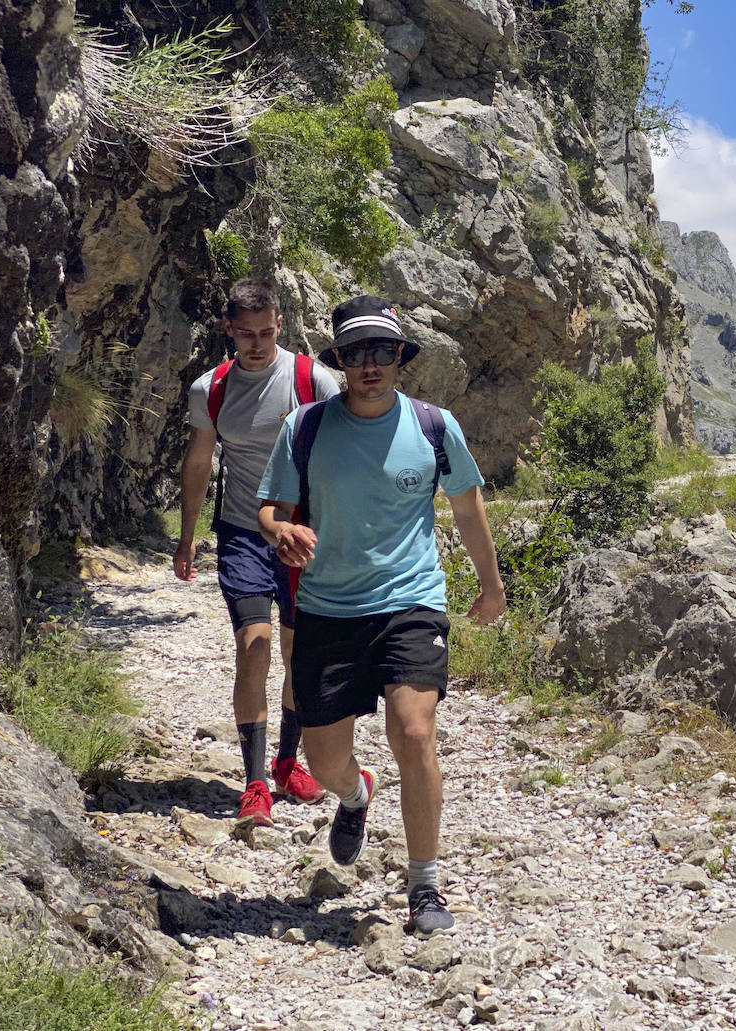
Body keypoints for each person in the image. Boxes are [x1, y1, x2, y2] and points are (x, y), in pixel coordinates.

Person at [257, 295, 506, 938]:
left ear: (400, 357)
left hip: (410, 603)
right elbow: (271, 508)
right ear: (338, 360)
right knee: (324, 758)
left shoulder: (433, 426)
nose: (369, 365)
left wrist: (492, 585)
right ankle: (355, 794)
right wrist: (280, 531)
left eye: (382, 352)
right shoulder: (305, 428)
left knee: (415, 732)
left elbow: (469, 509)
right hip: (327, 609)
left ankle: (424, 886)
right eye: (355, 352)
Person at [174, 278, 341, 826]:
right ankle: (254, 784)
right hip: (243, 532)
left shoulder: (309, 379)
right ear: (228, 329)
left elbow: (347, 453)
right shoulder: (211, 389)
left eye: (267, 332)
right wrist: (186, 538)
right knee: (255, 645)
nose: (257, 343)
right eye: (245, 333)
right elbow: (200, 464)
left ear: (280, 325)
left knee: (298, 650)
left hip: (303, 535)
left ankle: (289, 762)